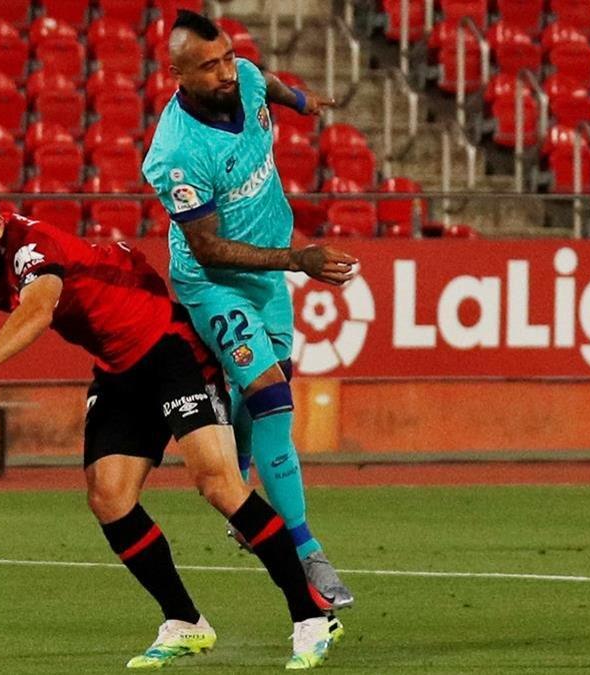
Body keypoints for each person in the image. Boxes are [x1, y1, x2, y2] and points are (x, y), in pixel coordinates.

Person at [0, 178, 342, 669]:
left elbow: (38, 309)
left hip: (170, 348)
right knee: (109, 497)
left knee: (218, 484)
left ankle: (310, 615)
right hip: (119, 369)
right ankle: (185, 621)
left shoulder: (33, 248)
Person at [142, 10, 360, 611]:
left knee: (265, 400)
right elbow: (208, 246)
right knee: (271, 397)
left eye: (227, 58)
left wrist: (304, 101)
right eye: (208, 66)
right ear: (177, 73)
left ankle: (240, 481)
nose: (225, 73)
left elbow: (271, 84)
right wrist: (298, 258)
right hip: (214, 283)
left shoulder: (246, 77)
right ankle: (306, 551)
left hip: (265, 278)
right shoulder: (177, 153)